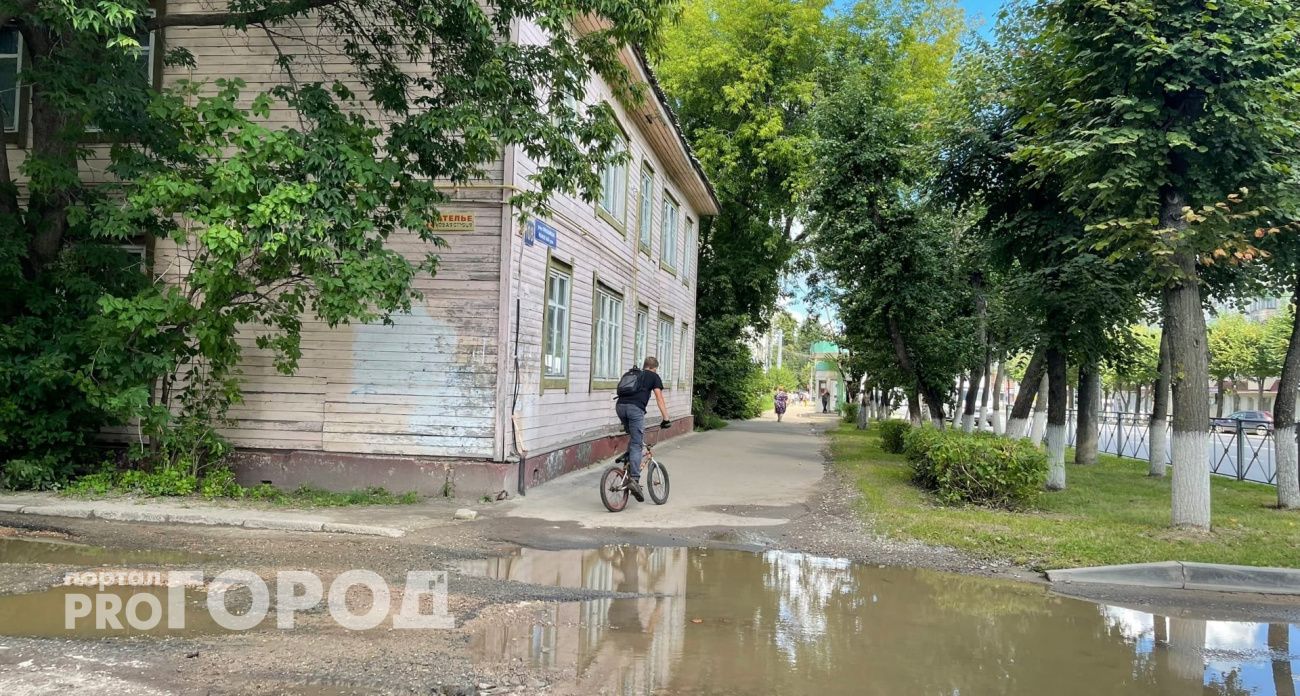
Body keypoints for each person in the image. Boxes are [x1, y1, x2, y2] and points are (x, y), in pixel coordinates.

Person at [616, 356, 671, 501]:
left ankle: (628, 458)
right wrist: (666, 418)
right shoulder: (653, 376)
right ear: (654, 368)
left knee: (634, 439)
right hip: (635, 410)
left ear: (644, 365)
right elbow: (659, 398)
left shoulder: (635, 375)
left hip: (620, 407)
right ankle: (634, 479)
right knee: (637, 443)